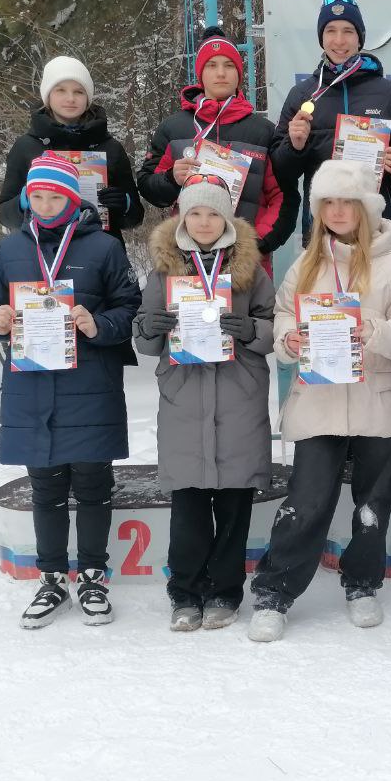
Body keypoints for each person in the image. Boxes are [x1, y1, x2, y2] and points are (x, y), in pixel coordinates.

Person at [247, 161, 391, 642]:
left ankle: (362, 583)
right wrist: (290, 342)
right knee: (306, 502)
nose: (339, 210)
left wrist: (373, 328)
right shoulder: (306, 263)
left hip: (376, 401)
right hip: (319, 400)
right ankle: (275, 592)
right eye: (329, 202)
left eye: (348, 201)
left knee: (373, 503)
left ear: (365, 208)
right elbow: (283, 315)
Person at [0, 154, 141, 628]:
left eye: (57, 197)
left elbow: (129, 306)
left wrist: (100, 324)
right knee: (45, 489)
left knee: (93, 487)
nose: (47, 205)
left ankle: (92, 574)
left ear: (73, 200)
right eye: (39, 196)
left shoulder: (105, 248)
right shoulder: (10, 249)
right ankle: (51, 579)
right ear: (29, 199)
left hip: (90, 387)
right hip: (32, 389)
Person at [134, 175, 276, 633]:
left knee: (234, 503)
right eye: (195, 212)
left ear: (228, 219)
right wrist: (150, 326)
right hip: (185, 397)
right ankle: (186, 592)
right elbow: (145, 341)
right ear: (181, 218)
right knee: (189, 504)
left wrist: (251, 331)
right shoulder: (162, 270)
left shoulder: (252, 270)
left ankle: (225, 591)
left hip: (238, 395)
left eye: (213, 213)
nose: (203, 221)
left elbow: (274, 326)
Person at [137, 26, 298, 267]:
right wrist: (171, 179)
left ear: (239, 74)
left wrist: (257, 244)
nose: (221, 73)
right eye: (212, 66)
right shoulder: (173, 128)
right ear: (201, 74)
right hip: (187, 260)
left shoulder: (262, 130)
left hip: (247, 263)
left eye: (229, 65)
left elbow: (283, 196)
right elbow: (148, 187)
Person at [271, 0, 391, 239]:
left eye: (348, 31)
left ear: (360, 38)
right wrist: (294, 145)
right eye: (330, 30)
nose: (339, 40)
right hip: (322, 227)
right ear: (321, 38)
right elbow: (280, 172)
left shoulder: (389, 94)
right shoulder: (302, 94)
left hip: (375, 228)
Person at [0, 56, 145, 250]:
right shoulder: (26, 147)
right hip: (43, 254)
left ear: (88, 97)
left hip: (100, 255)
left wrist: (124, 204)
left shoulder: (109, 147)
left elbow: (135, 217)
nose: (70, 98)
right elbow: (5, 215)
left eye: (79, 91)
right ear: (48, 96)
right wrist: (25, 200)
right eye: (60, 90)